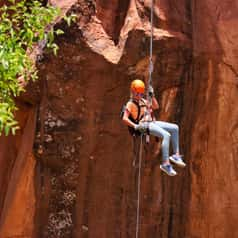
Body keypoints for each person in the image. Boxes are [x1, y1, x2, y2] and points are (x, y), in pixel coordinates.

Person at [122, 79, 186, 176]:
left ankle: (176, 155)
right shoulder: (130, 104)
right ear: (133, 92)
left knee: (175, 128)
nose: (139, 96)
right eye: (137, 94)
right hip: (143, 125)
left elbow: (156, 106)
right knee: (166, 135)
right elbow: (124, 118)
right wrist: (135, 126)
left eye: (141, 93)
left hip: (152, 122)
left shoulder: (143, 100)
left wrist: (152, 96)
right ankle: (165, 164)